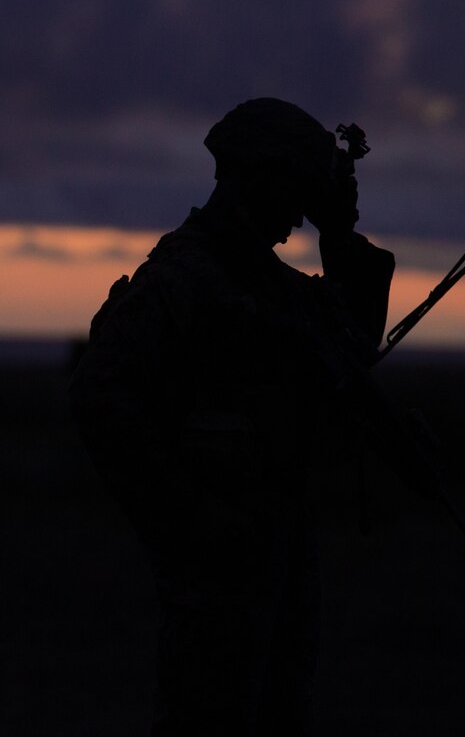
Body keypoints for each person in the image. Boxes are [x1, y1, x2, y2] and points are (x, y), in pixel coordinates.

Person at [69, 97, 395, 737]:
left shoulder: (274, 287)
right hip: (214, 570)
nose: (296, 216)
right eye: (291, 193)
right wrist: (187, 514)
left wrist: (339, 239)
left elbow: (352, 349)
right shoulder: (184, 277)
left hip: (275, 556)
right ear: (252, 179)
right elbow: (100, 398)